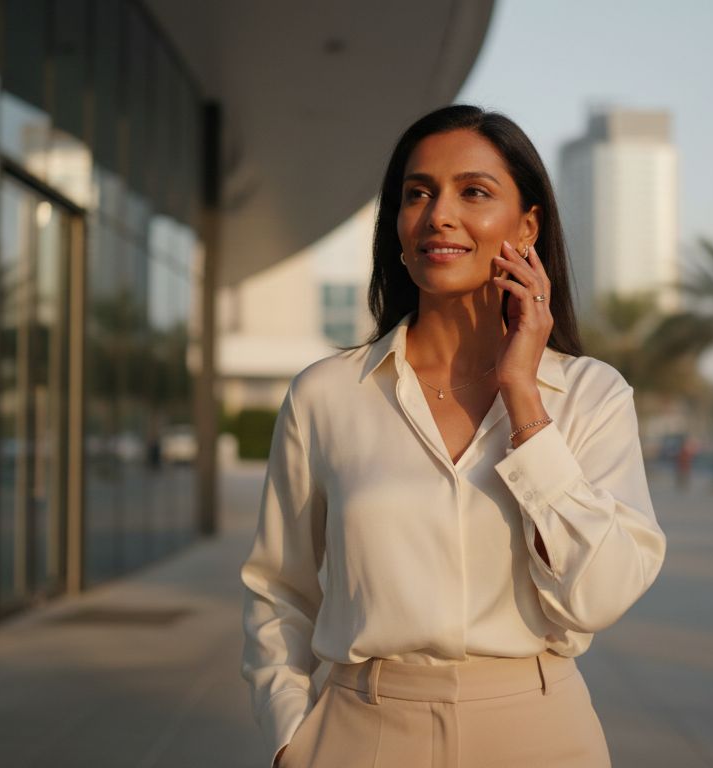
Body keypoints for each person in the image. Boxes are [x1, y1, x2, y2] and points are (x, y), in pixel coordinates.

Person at [239, 104, 667, 768]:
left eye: (474, 192)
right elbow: (278, 588)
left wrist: (523, 395)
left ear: (527, 225)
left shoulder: (591, 395)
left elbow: (602, 594)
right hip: (361, 732)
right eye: (417, 193)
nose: (438, 214)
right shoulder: (325, 395)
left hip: (539, 731)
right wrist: (291, 738)